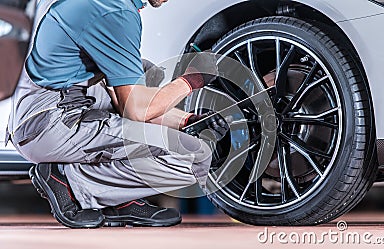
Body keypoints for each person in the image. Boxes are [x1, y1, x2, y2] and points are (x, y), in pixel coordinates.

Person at [6, 0, 229, 228]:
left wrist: (187, 121)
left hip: (49, 109)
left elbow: (122, 99)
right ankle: (71, 182)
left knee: (146, 73)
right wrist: (194, 79)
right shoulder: (115, 12)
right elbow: (136, 110)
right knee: (195, 156)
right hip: (53, 122)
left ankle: (116, 199)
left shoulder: (107, 4)